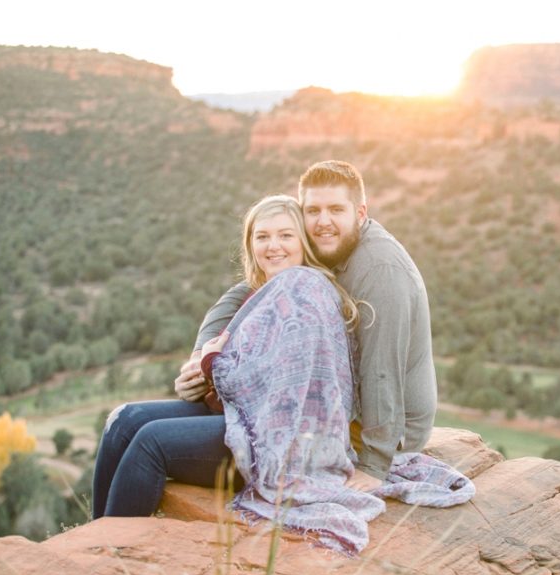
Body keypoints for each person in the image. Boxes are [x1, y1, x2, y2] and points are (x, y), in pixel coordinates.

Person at [92, 195, 364, 520]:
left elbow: (265, 378)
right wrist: (202, 363)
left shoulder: (306, 291)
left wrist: (211, 362)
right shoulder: (261, 290)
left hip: (279, 443)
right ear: (250, 244)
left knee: (151, 443)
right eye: (262, 236)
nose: (273, 245)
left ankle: (114, 550)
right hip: (243, 417)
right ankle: (94, 539)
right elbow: (222, 346)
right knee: (123, 421)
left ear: (305, 241)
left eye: (285, 235)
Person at [175, 160, 437, 491]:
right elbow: (244, 291)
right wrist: (200, 356)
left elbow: (381, 369)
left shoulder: (380, 271)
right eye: (313, 210)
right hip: (336, 406)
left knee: (157, 442)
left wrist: (374, 465)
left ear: (360, 213)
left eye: (336, 210)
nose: (323, 221)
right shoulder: (328, 242)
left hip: (389, 432)